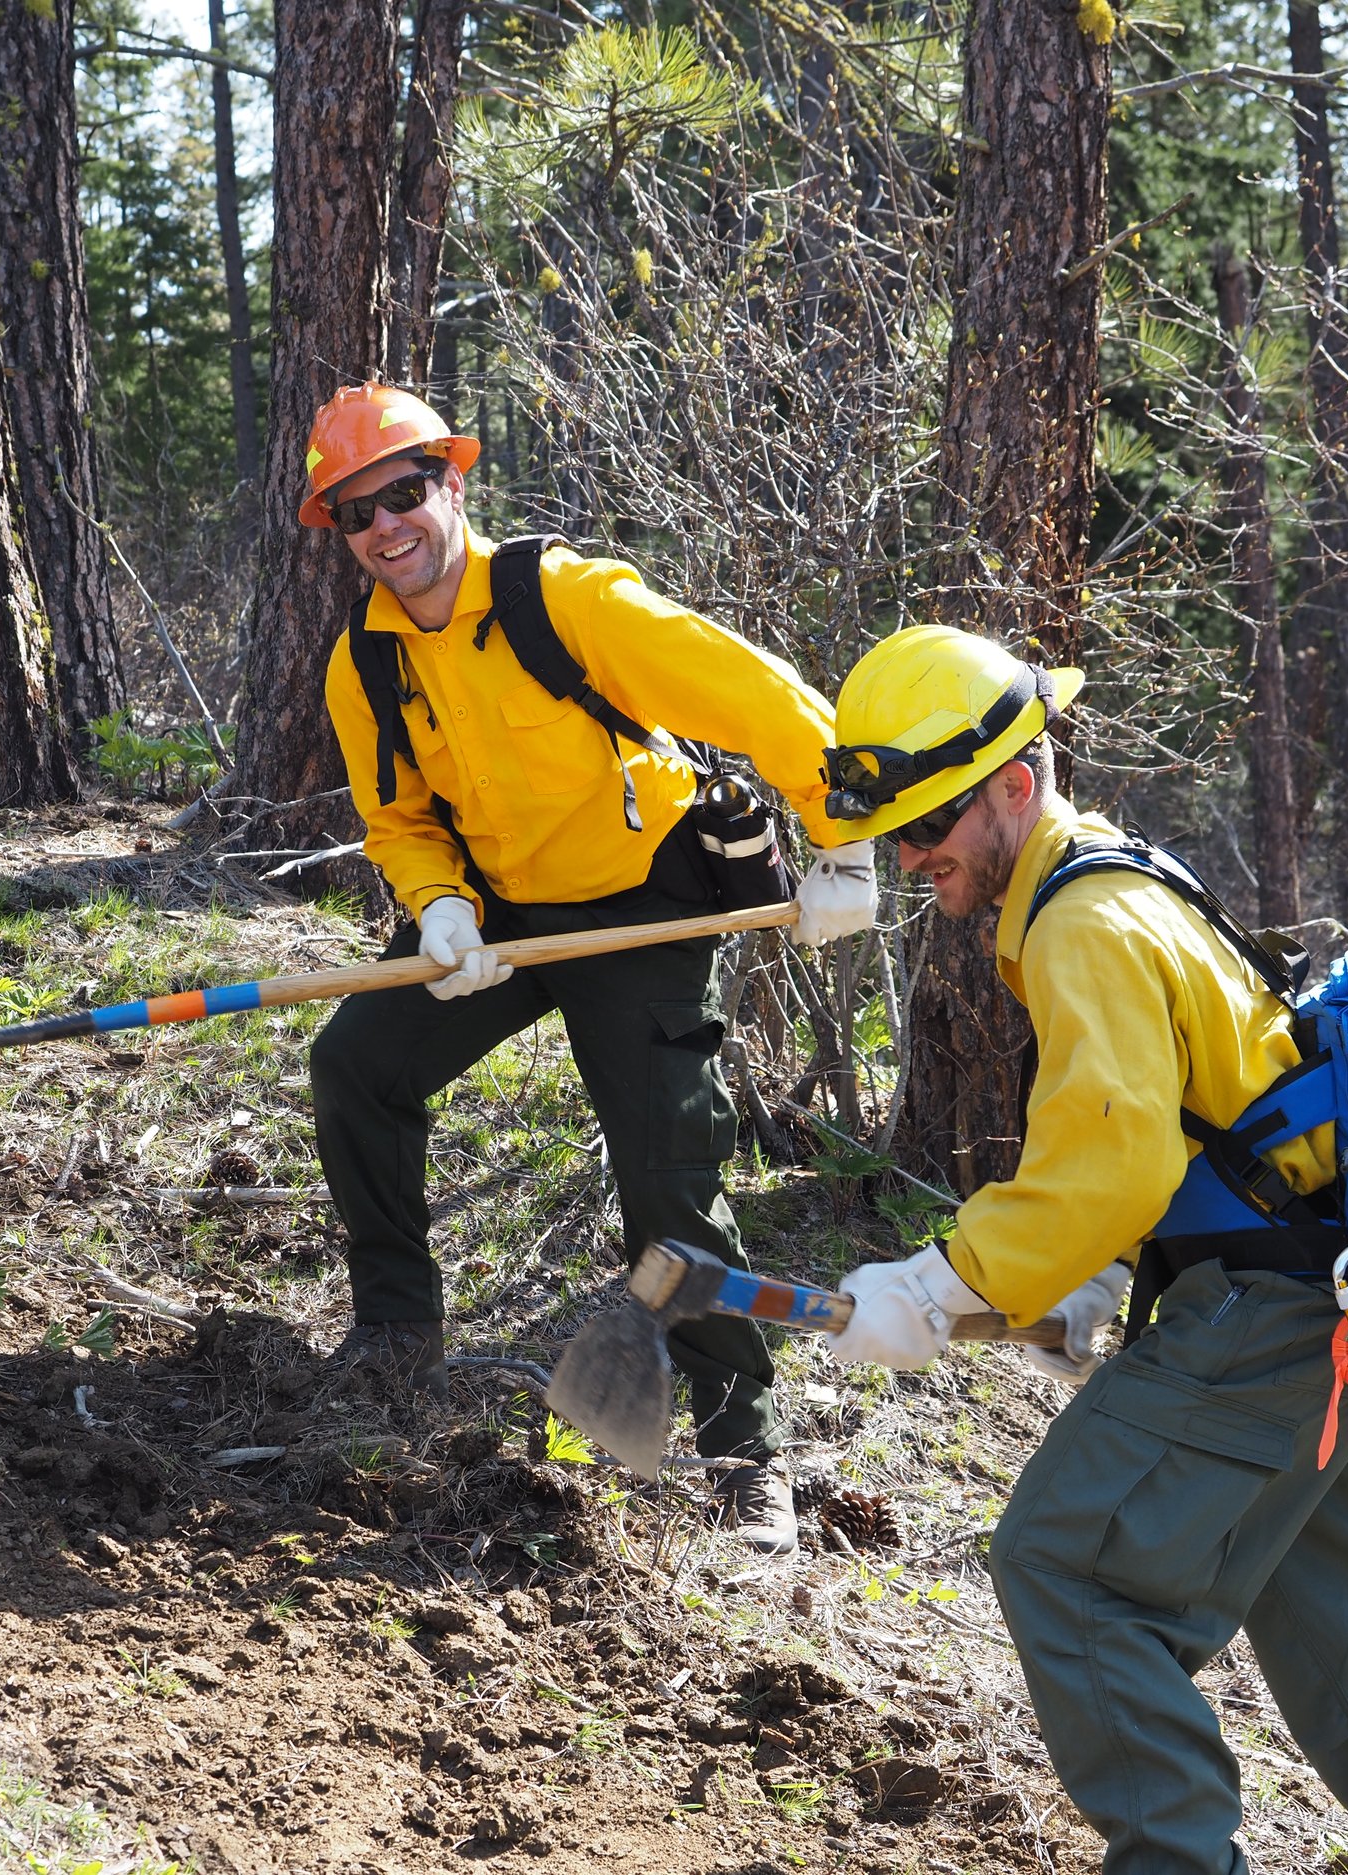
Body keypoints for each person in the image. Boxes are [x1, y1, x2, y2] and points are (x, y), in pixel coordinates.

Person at [811, 625, 1348, 1872]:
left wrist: (945, 1286)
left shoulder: (1082, 925)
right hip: (1338, 1308)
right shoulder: (1117, 878)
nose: (911, 855)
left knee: (1064, 1567)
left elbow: (1104, 1159)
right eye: (892, 828)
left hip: (1268, 1320)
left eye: (930, 818)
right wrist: (1099, 1280)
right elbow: (1197, 1118)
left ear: (1015, 784)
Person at [298, 383, 878, 1554]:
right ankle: (397, 1337)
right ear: (341, 532)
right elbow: (400, 820)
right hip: (501, 914)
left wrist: (845, 845)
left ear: (451, 484)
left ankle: (739, 1452)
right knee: (357, 1064)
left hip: (644, 906)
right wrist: (441, 910)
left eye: (405, 494)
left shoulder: (562, 598)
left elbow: (755, 692)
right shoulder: (362, 664)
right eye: (358, 512)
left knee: (668, 1179)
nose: (387, 527)